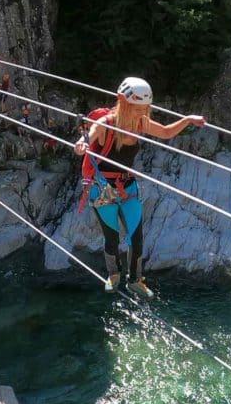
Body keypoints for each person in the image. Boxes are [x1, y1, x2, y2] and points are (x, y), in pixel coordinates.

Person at [74, 76, 206, 299]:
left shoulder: (140, 122)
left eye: (144, 108)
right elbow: (89, 136)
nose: (140, 112)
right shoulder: (106, 123)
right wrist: (81, 144)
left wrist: (188, 120)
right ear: (122, 102)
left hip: (127, 186)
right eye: (136, 108)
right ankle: (114, 274)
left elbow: (165, 132)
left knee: (136, 236)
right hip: (102, 188)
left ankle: (135, 280)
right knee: (112, 237)